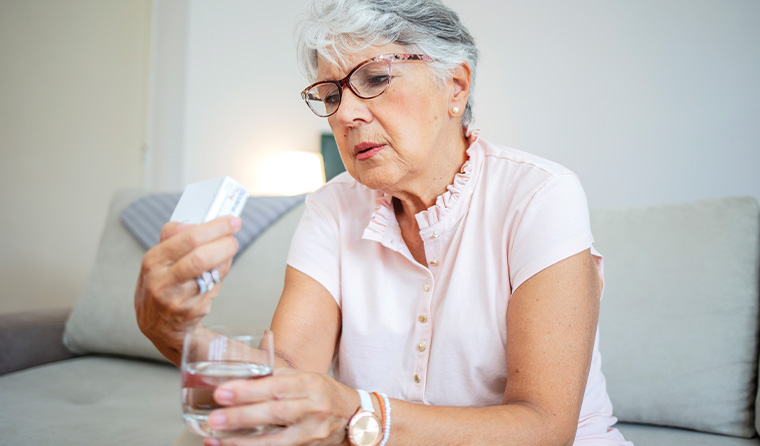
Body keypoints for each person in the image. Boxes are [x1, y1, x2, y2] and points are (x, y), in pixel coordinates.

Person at [135, 0, 633, 444]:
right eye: (331, 95)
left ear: (455, 86)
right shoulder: (332, 206)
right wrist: (173, 332)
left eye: (375, 79)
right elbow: (286, 377)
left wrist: (358, 415)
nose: (345, 115)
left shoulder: (539, 195)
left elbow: (544, 426)